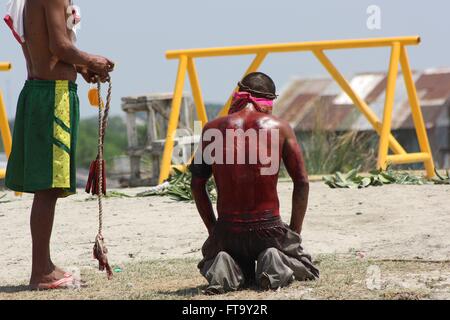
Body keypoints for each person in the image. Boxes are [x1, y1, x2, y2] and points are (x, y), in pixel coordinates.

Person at [4, 0, 114, 290]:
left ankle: (45, 266)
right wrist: (91, 60)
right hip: (53, 98)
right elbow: (59, 46)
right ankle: (41, 270)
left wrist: (79, 67)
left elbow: (49, 51)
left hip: (44, 92)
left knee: (48, 187)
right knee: (48, 187)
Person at [190, 72, 319, 294]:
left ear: (239, 93)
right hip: (269, 230)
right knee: (305, 265)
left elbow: (197, 184)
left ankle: (224, 264)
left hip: (228, 231)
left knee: (216, 256)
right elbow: (302, 182)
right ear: (268, 100)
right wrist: (293, 233)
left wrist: (214, 230)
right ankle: (275, 260)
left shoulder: (211, 129)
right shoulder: (280, 127)